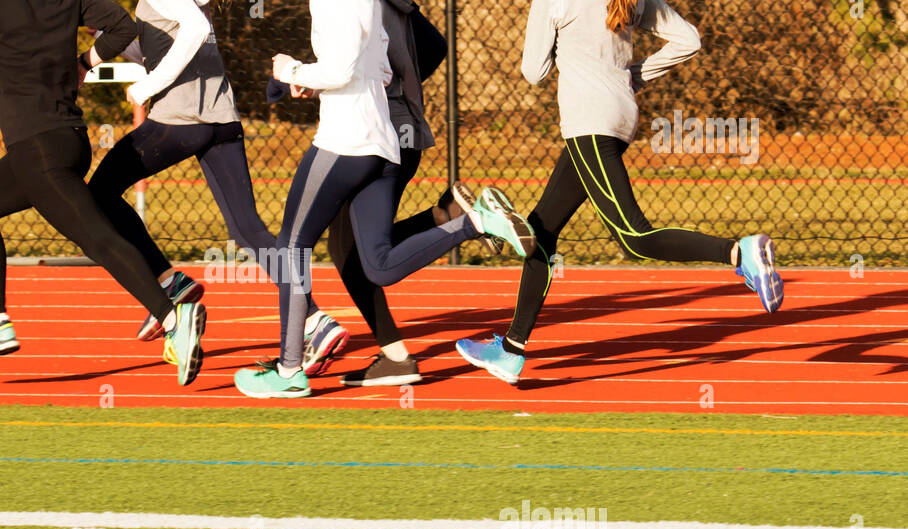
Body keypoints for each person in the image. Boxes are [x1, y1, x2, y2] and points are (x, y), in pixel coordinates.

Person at [455, 0, 783, 386]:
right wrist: (631, 77)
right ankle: (511, 350)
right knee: (541, 231)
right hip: (617, 116)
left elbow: (533, 71)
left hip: (588, 121)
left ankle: (739, 251)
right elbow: (689, 40)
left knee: (634, 237)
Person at [233, 0, 534, 399]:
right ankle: (475, 222)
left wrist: (293, 70)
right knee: (377, 263)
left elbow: (340, 70)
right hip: (382, 143)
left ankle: (289, 371)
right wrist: (318, 80)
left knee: (291, 246)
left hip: (344, 140)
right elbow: (380, 69)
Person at [0, 0, 206, 386]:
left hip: (37, 151)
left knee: (97, 240)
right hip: (69, 142)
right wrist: (84, 63)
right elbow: (122, 28)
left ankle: (171, 317)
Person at [87, 0, 350, 376]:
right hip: (221, 120)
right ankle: (313, 320)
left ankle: (168, 283)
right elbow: (159, 44)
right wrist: (100, 40)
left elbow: (192, 30)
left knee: (98, 195)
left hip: (180, 119)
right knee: (248, 230)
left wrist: (148, 86)